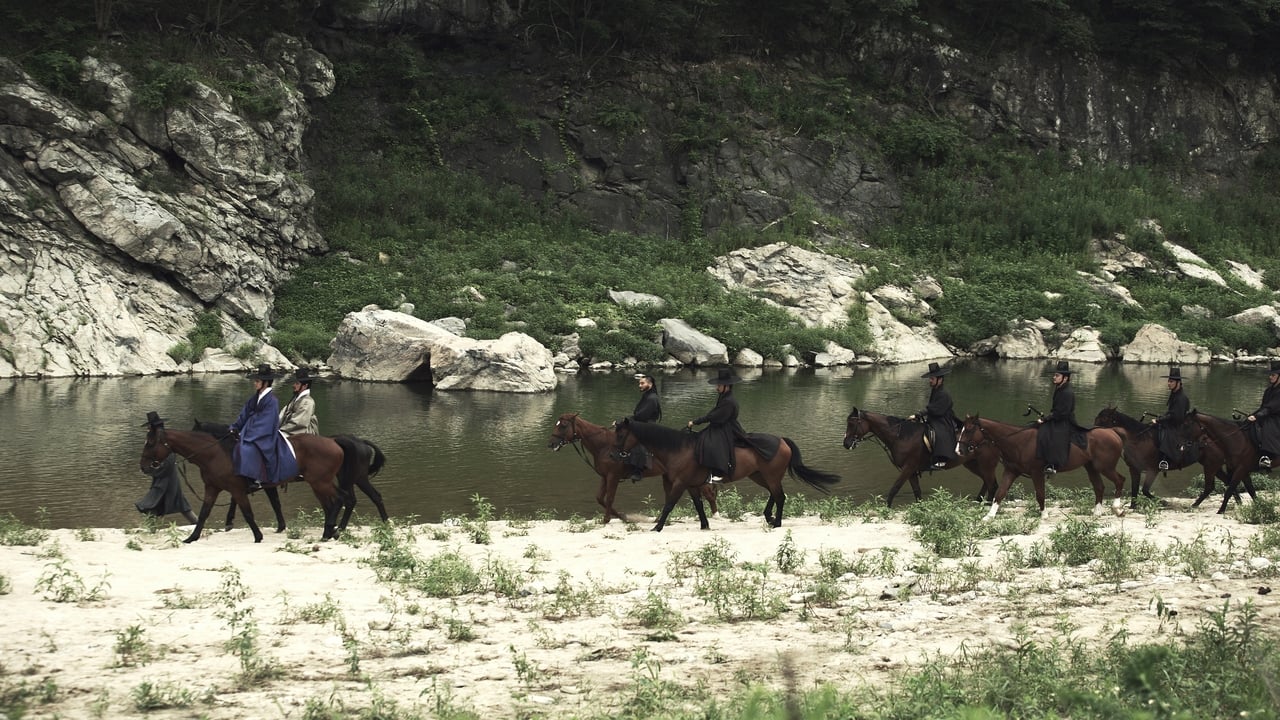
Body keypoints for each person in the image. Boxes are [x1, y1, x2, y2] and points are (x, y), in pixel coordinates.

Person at [229, 364, 296, 491]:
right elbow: (245, 413)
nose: (255, 383)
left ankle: (255, 479)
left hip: (265, 435)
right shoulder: (255, 398)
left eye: (257, 381)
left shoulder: (272, 401)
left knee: (246, 448)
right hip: (251, 431)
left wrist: (249, 435)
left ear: (266, 383)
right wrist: (235, 427)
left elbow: (266, 422)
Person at [687, 368, 749, 484]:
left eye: (719, 385)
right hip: (720, 424)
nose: (717, 388)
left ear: (727, 386)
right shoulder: (723, 396)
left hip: (726, 427)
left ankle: (719, 473)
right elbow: (713, 413)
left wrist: (696, 422)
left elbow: (713, 416)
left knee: (712, 443)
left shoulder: (728, 401)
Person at [136, 411, 198, 525]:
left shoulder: (163, 441)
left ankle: (150, 527)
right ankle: (198, 524)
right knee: (182, 505)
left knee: (151, 503)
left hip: (165, 481)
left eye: (149, 427)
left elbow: (167, 463)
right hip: (167, 479)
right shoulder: (157, 440)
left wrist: (151, 471)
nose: (147, 429)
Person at [908, 361, 958, 470]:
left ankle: (942, 459)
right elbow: (931, 407)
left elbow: (934, 408)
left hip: (943, 419)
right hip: (935, 416)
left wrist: (918, 414)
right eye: (930, 379)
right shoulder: (935, 390)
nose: (930, 381)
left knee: (939, 432)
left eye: (932, 378)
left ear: (940, 380)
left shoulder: (944, 394)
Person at [1035, 360, 1077, 476]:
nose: (1054, 377)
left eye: (1057, 375)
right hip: (1058, 418)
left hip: (1065, 421)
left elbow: (1062, 413)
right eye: (1054, 375)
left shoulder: (1067, 392)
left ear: (1065, 378)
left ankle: (1052, 465)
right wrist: (1047, 418)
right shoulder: (1059, 388)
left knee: (1051, 435)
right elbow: (1056, 411)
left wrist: (1045, 419)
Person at [1151, 366, 1191, 471]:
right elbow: (1171, 412)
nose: (1168, 383)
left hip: (1177, 425)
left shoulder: (1181, 398)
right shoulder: (1174, 394)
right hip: (1172, 421)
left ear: (1178, 383)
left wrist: (1159, 420)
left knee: (1166, 434)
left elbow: (1176, 416)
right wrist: (1161, 417)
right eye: (1168, 381)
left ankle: (1165, 461)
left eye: (1171, 381)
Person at [624, 373, 661, 482]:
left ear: (650, 384)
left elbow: (642, 416)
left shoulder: (652, 398)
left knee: (638, 443)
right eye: (639, 383)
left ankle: (638, 470)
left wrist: (626, 421)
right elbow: (638, 415)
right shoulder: (647, 396)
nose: (639, 385)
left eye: (642, 383)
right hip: (642, 423)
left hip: (647, 426)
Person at [1247, 359, 1280, 468]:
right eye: (1270, 375)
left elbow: (1271, 408)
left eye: (1273, 375)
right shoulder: (1268, 390)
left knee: (1268, 425)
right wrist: (1252, 415)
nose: (1270, 377)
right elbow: (1263, 407)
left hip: (1276, 418)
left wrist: (1257, 416)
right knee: (1247, 424)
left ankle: (1267, 456)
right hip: (1267, 414)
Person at [278, 367, 320, 436]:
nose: (294, 385)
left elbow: (298, 423)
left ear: (305, 386)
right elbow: (283, 414)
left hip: (303, 434)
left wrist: (281, 431)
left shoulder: (307, 402)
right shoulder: (295, 398)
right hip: (289, 429)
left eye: (297, 383)